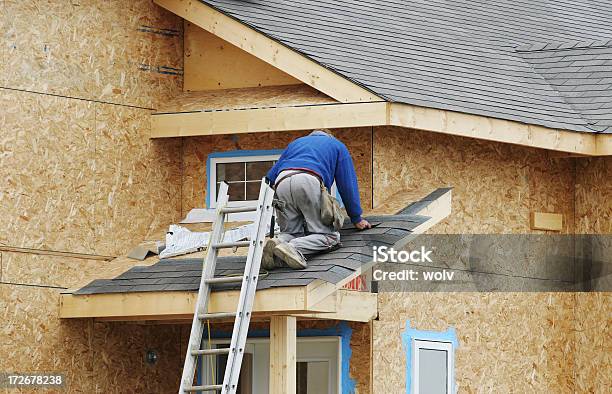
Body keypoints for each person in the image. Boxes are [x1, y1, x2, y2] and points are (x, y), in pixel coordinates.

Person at [262, 129, 371, 270]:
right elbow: (347, 184)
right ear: (329, 136)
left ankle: (278, 242)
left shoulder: (296, 143)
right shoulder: (337, 145)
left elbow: (269, 177)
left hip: (281, 181)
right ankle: (291, 247)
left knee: (292, 233)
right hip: (308, 179)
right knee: (329, 237)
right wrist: (356, 218)